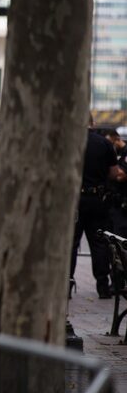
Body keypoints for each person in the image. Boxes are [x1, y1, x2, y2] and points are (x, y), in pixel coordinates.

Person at [70, 118, 121, 298]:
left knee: (71, 244)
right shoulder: (104, 143)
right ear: (91, 122)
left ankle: (66, 286)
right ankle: (102, 286)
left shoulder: (68, 142)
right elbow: (114, 173)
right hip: (97, 199)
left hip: (74, 200)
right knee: (99, 244)